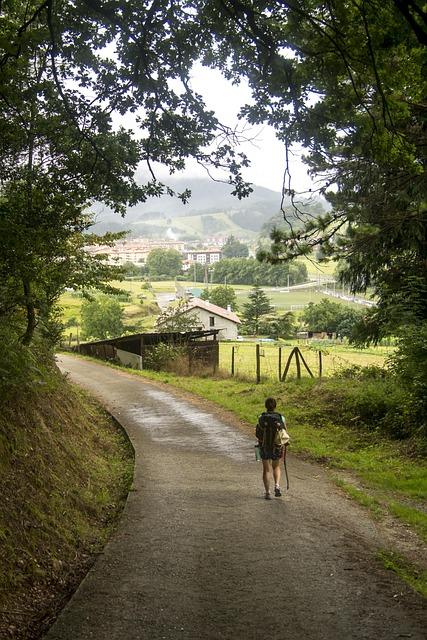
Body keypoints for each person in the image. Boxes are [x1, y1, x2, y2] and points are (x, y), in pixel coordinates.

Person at [255, 397, 288, 500]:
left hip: (264, 446)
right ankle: (277, 485)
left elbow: (257, 433)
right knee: (276, 467)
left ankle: (267, 493)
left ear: (266, 406)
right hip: (276, 447)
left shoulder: (261, 417)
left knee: (266, 469)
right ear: (275, 406)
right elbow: (284, 433)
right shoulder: (281, 418)